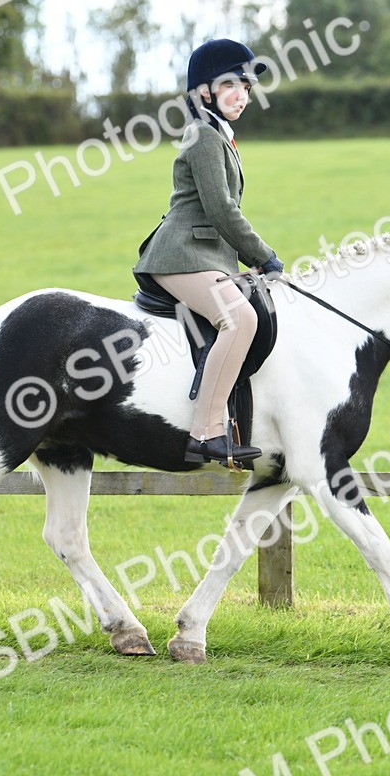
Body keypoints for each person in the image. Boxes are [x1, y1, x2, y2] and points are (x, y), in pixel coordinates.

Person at [134, 38, 284, 466]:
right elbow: (221, 208)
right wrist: (263, 255)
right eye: (233, 85)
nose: (244, 95)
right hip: (181, 254)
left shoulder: (219, 135)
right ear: (204, 91)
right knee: (239, 319)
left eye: (248, 87)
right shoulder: (203, 135)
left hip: (206, 256)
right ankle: (204, 432)